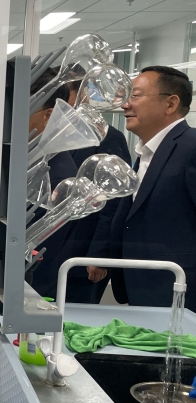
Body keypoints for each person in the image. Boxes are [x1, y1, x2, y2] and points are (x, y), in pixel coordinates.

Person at [110, 65, 196, 308]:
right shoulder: (146, 153)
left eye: (135, 96)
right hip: (142, 289)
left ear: (170, 104)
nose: (125, 105)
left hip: (180, 294)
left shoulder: (191, 148)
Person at [63, 82, 132, 304]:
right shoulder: (56, 136)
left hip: (84, 256)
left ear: (84, 98)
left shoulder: (107, 137)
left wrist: (99, 254)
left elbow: (114, 200)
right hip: (53, 252)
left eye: (66, 98)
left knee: (76, 316)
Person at [27, 69, 78, 301]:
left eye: (21, 110)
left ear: (48, 115)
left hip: (34, 288)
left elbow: (42, 251)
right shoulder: (28, 160)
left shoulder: (56, 174)